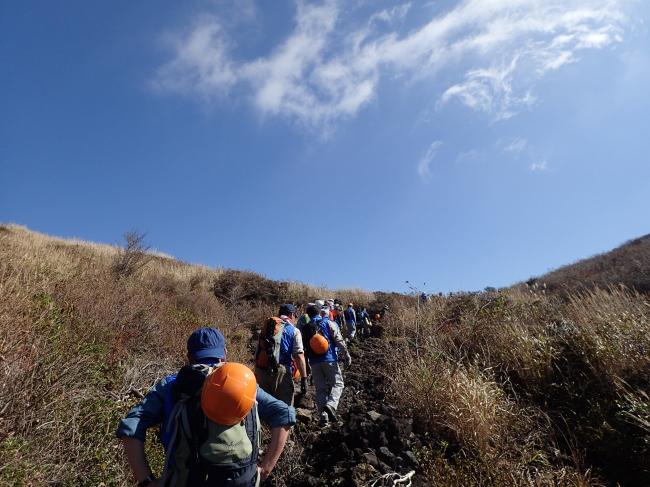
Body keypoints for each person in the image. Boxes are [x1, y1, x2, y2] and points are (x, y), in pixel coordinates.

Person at [116, 327, 296, 487]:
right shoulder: (244, 384)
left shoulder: (172, 385)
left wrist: (147, 480)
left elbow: (131, 425)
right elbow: (285, 414)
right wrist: (264, 470)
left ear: (189, 357)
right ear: (224, 353)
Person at [302, 305, 351, 426]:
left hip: (313, 362)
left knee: (321, 390)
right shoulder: (328, 323)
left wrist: (307, 366)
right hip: (329, 359)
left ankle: (323, 418)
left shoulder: (305, 328)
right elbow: (339, 340)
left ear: (308, 315)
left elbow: (304, 348)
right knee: (338, 384)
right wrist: (346, 355)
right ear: (319, 312)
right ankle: (331, 405)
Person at [254, 304, 308, 406]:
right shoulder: (294, 331)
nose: (294, 319)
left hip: (261, 369)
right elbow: (299, 355)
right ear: (291, 315)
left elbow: (258, 351)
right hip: (281, 371)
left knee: (265, 407)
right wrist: (304, 378)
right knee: (285, 407)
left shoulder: (267, 328)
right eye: (295, 316)